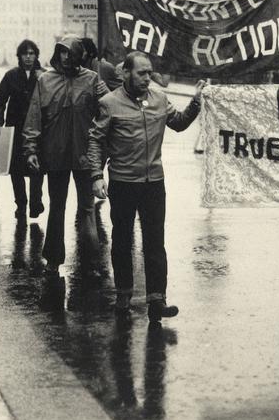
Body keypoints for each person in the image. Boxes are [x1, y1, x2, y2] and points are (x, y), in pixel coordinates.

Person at [88, 51, 205, 322]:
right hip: (123, 182)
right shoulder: (109, 103)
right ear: (126, 73)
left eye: (149, 72)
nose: (147, 77)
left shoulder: (160, 99)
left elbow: (178, 123)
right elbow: (95, 140)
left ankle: (157, 301)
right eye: (141, 72)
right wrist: (96, 176)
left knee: (155, 242)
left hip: (154, 182)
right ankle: (124, 295)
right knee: (122, 239)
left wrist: (196, 102)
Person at [23, 37, 108, 275]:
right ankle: (52, 259)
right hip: (56, 154)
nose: (65, 58)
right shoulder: (45, 80)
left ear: (79, 55)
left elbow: (109, 110)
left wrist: (105, 94)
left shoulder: (92, 79)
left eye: (70, 53)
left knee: (87, 209)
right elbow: (34, 118)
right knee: (57, 207)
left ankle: (91, 261)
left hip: (85, 155)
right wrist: (30, 149)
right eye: (61, 52)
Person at [0, 39, 44, 219]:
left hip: (38, 130)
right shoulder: (11, 76)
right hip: (14, 129)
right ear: (20, 56)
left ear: (36, 55)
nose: (28, 57)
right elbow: (0, 100)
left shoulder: (44, 76)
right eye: (25, 53)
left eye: (32, 53)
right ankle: (21, 203)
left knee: (37, 167)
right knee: (16, 170)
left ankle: (36, 202)